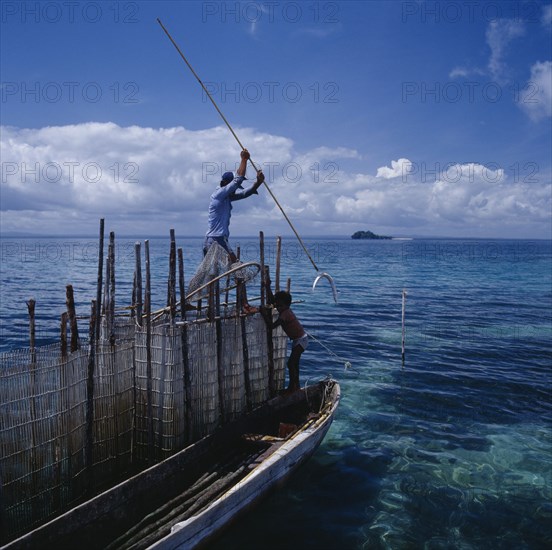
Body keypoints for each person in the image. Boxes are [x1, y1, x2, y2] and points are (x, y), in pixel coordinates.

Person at [203, 149, 264, 262]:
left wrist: (259, 182)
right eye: (233, 189)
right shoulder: (219, 194)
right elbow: (237, 181)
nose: (234, 191)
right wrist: (244, 160)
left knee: (215, 272)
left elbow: (245, 193)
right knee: (236, 266)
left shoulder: (227, 198)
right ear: (226, 184)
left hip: (212, 239)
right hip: (218, 238)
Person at [265, 290, 308, 393]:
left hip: (301, 340)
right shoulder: (284, 310)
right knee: (294, 364)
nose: (278, 308)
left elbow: (272, 326)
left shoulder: (285, 313)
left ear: (286, 305)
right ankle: (295, 386)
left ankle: (291, 388)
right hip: (299, 340)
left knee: (291, 364)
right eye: (277, 306)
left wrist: (264, 314)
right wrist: (268, 287)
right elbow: (272, 301)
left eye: (280, 306)